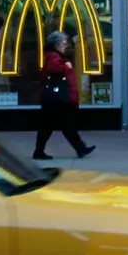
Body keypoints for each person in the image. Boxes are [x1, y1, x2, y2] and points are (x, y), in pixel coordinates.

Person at [34, 31, 96, 160]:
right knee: (61, 126)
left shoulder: (54, 56)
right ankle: (79, 148)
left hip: (55, 100)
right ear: (56, 44)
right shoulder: (53, 57)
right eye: (62, 43)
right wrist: (66, 66)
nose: (65, 45)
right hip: (58, 100)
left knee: (58, 126)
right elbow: (53, 68)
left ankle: (80, 148)